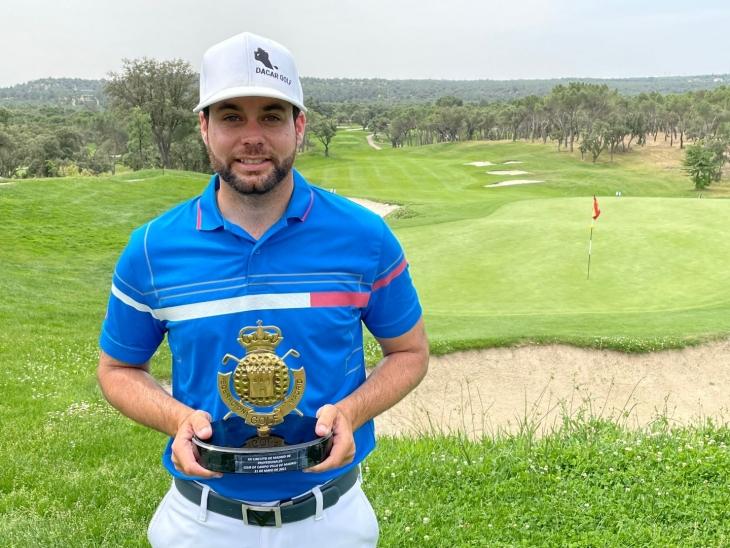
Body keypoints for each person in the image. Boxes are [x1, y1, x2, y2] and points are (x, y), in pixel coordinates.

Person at [97, 31, 428, 548]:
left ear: (299, 126)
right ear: (204, 128)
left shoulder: (365, 238)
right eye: (231, 116)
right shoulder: (151, 250)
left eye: (271, 115)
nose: (252, 136)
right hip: (201, 523)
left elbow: (409, 352)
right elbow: (117, 369)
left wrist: (354, 411)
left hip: (331, 521)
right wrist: (175, 418)